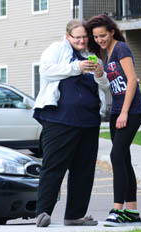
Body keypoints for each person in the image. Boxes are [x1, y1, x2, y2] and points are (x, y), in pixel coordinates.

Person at [33, 19, 111, 228]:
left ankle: (75, 215)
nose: (82, 41)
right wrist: (76, 67)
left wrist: (100, 74)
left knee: (84, 170)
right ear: (68, 37)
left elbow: (105, 87)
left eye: (85, 37)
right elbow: (46, 71)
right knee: (53, 166)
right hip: (59, 119)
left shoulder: (92, 57)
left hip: (89, 121)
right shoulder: (57, 49)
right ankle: (43, 213)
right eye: (77, 37)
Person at [86, 14, 141, 227]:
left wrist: (124, 113)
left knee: (116, 155)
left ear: (112, 31)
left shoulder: (121, 48)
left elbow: (132, 80)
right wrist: (101, 73)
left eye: (103, 35)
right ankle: (132, 212)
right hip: (117, 111)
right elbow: (112, 85)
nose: (99, 39)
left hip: (131, 111)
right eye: (96, 36)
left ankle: (117, 210)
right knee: (124, 159)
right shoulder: (108, 53)